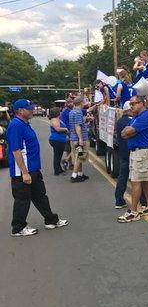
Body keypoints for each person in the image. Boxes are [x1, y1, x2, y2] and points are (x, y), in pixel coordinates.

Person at [7, 99, 68, 237]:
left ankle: (51, 220)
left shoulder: (25, 124)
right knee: (22, 200)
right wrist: (24, 173)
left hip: (33, 168)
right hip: (23, 171)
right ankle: (18, 227)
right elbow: (16, 151)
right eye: (29, 108)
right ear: (20, 111)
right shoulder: (16, 126)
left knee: (40, 196)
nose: (32, 110)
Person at [118, 95, 148, 222]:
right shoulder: (136, 117)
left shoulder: (145, 116)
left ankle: (134, 211)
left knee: (135, 181)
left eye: (134, 103)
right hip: (138, 152)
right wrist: (130, 132)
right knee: (145, 180)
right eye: (130, 104)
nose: (131, 106)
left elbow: (128, 132)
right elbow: (124, 133)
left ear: (141, 103)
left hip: (141, 152)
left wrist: (131, 132)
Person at [68, 96, 90, 183]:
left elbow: (76, 123)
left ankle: (80, 174)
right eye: (84, 101)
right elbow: (77, 126)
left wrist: (85, 120)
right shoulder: (78, 112)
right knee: (79, 157)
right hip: (78, 139)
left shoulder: (72, 112)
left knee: (80, 156)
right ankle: (74, 176)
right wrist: (81, 139)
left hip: (73, 138)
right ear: (81, 103)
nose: (85, 102)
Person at [48, 107, 69, 175]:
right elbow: (57, 129)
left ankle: (59, 169)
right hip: (57, 139)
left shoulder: (57, 119)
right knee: (57, 155)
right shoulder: (54, 119)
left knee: (58, 155)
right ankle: (56, 170)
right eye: (59, 111)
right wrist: (65, 129)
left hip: (59, 139)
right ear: (57, 112)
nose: (60, 112)